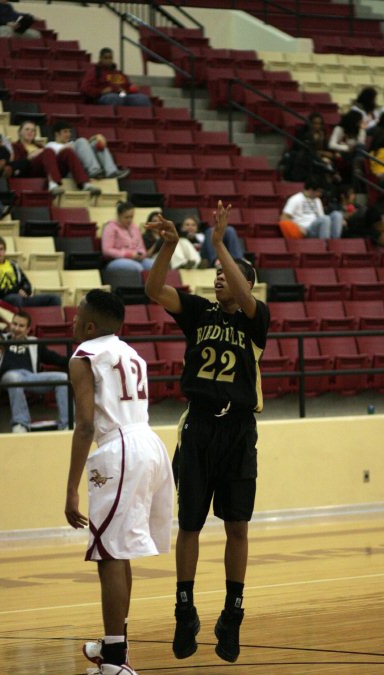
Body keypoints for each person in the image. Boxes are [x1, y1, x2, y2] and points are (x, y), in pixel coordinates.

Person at [145, 202, 270, 664]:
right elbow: (154, 288)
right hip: (198, 426)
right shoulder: (198, 312)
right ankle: (184, 610)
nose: (221, 278)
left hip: (238, 430)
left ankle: (232, 614)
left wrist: (220, 245)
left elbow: (244, 290)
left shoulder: (256, 321)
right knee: (190, 524)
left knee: (237, 526)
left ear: (247, 285)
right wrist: (169, 245)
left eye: (230, 274)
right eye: (217, 273)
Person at [64, 289, 174, 675]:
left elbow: (85, 425)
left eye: (77, 315)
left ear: (90, 325)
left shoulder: (84, 355)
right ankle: (116, 647)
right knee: (118, 550)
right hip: (149, 443)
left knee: (108, 555)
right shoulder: (132, 353)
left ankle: (114, 664)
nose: (72, 320)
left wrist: (71, 488)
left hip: (119, 449)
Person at [0, 310, 69, 432]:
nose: (16, 328)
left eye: (21, 326)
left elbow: (55, 358)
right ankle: (21, 424)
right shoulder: (0, 340)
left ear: (27, 330)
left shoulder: (34, 342)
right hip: (8, 376)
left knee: (63, 378)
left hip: (30, 377)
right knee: (15, 379)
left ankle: (67, 424)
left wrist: (75, 361)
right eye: (14, 324)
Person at [12, 121, 101, 196]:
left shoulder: (39, 146)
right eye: (27, 129)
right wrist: (29, 157)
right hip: (31, 170)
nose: (30, 132)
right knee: (48, 151)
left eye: (33, 130)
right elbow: (15, 166)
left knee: (67, 151)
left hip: (47, 168)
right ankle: (53, 184)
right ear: (20, 132)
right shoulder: (15, 146)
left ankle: (85, 183)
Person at [45, 120, 129, 181]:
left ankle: (111, 172)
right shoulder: (51, 145)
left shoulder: (73, 143)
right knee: (81, 140)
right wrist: (72, 145)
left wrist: (96, 137)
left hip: (83, 166)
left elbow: (85, 147)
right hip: (69, 171)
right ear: (56, 134)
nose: (69, 134)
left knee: (97, 143)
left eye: (69, 132)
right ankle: (94, 170)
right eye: (65, 132)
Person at [0, 235, 62, 308]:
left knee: (54, 299)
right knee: (15, 299)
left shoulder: (13, 265)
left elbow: (27, 284)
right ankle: (21, 319)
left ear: (5, 250)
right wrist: (16, 291)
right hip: (1, 301)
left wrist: (24, 290)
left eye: (1, 249)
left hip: (20, 298)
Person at [101, 202, 156, 289]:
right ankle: (139, 292)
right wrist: (128, 254)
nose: (129, 220)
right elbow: (107, 250)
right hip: (116, 260)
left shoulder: (134, 227)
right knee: (137, 267)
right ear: (119, 216)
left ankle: (154, 292)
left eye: (131, 217)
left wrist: (141, 254)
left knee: (155, 264)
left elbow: (141, 247)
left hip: (136, 258)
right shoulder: (110, 227)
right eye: (126, 217)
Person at [341, 187, 384, 255]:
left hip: (361, 222)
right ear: (342, 196)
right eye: (351, 194)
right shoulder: (336, 207)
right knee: (370, 232)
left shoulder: (357, 205)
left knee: (373, 211)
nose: (354, 196)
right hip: (349, 228)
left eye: (354, 194)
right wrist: (348, 215)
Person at [81, 48, 151, 107]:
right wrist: (101, 91)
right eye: (106, 58)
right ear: (100, 59)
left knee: (142, 99)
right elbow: (85, 88)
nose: (109, 60)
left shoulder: (118, 73)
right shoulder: (94, 72)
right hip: (104, 96)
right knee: (114, 98)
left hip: (122, 95)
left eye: (110, 58)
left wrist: (132, 88)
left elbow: (128, 86)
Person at [279, 176, 344, 239]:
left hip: (318, 226)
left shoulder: (317, 200)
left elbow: (321, 216)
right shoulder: (295, 199)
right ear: (310, 190)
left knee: (337, 214)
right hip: (306, 229)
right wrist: (298, 227)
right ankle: (325, 245)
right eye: (319, 191)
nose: (320, 194)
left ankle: (335, 243)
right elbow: (283, 218)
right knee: (325, 219)